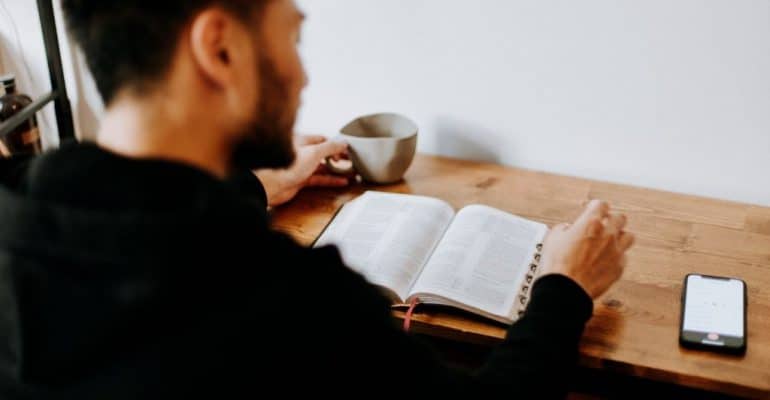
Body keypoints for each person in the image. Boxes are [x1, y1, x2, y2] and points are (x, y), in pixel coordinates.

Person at [0, 0, 634, 398]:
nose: (302, 74)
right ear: (220, 47)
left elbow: (152, 231)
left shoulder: (17, 212)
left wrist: (253, 185)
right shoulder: (290, 307)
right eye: (292, 35)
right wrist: (563, 289)